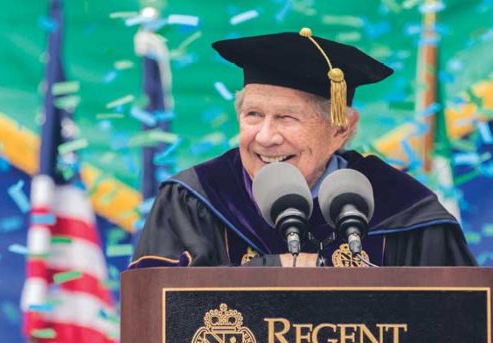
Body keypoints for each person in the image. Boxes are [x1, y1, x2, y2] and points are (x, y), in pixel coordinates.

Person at [131, 28, 475, 269]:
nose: (265, 137)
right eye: (253, 115)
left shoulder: (405, 210)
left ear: (341, 129)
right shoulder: (194, 201)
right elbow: (156, 321)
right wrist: (269, 272)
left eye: (286, 118)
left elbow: (460, 336)